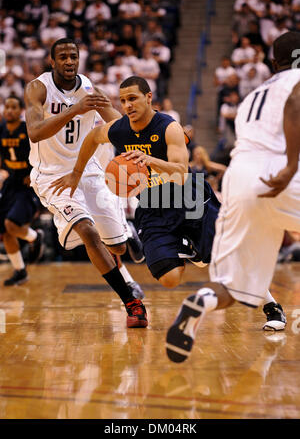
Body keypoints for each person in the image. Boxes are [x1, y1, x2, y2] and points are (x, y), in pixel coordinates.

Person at [49, 75, 284, 332]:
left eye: (133, 99)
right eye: (123, 100)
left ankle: (272, 307)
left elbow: (181, 172)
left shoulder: (168, 127)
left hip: (190, 199)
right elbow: (93, 137)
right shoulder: (120, 129)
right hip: (153, 204)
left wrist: (149, 160)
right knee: (169, 278)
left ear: (149, 97)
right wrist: (76, 172)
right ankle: (186, 246)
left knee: (230, 259)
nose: (127, 105)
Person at [165, 31, 300, 363]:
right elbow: (296, 105)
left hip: (239, 179)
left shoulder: (254, 95)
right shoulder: (297, 81)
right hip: (280, 172)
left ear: (272, 63)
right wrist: (291, 165)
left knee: (232, 285)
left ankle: (201, 302)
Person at [24, 38, 147, 328]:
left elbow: (118, 122)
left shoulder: (89, 87)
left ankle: (126, 231)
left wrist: (139, 140)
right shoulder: (38, 88)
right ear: (52, 61)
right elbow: (35, 132)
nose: (69, 61)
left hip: (88, 170)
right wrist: (75, 110)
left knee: (116, 248)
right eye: (63, 57)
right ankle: (132, 302)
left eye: (73, 57)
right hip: (52, 177)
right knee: (87, 231)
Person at [0, 96, 44, 286]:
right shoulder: (1, 129)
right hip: (10, 183)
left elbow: (42, 154)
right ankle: (20, 271)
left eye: (13, 107)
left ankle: (35, 236)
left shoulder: (28, 130)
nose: (9, 110)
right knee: (6, 232)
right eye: (7, 107)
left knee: (11, 224)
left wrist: (34, 173)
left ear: (21, 111)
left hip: (28, 185)